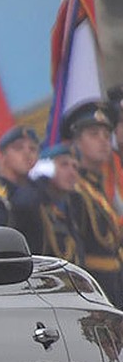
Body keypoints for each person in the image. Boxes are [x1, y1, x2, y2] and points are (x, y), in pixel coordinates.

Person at [65, 99, 123, 305]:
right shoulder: (74, 190)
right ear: (76, 143)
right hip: (95, 287)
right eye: (93, 135)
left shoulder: (98, 187)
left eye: (107, 135)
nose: (103, 141)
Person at [12, 142, 82, 263]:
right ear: (46, 167)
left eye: (75, 167)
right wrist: (40, 179)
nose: (72, 173)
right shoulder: (31, 199)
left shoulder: (70, 206)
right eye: (64, 165)